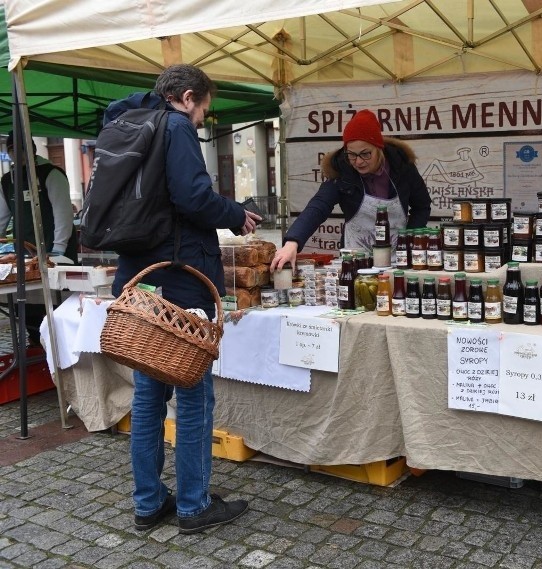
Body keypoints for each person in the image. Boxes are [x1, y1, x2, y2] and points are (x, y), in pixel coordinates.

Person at [108, 64, 261, 534]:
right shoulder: (174, 126)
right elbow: (193, 196)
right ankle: (194, 506)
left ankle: (149, 503)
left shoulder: (133, 123)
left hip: (143, 277)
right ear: (188, 97)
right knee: (193, 395)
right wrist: (236, 214)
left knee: (150, 395)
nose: (201, 121)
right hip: (181, 279)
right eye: (204, 112)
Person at [270, 109, 431, 270]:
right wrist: (292, 242)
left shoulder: (402, 167)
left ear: (379, 148)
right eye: (352, 154)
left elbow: (422, 206)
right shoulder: (342, 171)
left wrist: (410, 239)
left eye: (365, 154)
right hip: (355, 258)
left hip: (398, 258)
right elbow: (319, 205)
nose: (358, 161)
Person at [0, 132, 79, 344]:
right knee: (27, 309)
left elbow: (63, 214)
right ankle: (36, 345)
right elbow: (1, 217)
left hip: (55, 253)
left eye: (21, 150)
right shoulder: (7, 180)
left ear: (32, 150)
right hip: (24, 256)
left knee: (55, 308)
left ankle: (59, 351)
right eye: (12, 150)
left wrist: (58, 250)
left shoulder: (51, 174)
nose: (17, 155)